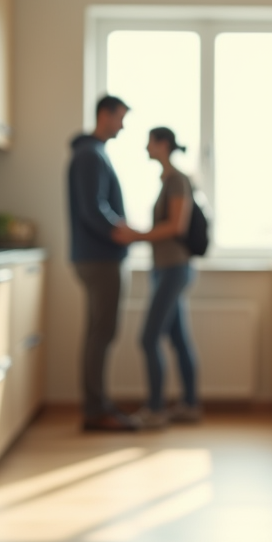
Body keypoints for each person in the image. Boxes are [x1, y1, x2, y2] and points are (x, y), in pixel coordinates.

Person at [68, 94, 139, 431]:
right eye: (120, 118)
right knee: (101, 333)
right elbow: (92, 209)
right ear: (104, 115)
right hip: (99, 259)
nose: (122, 126)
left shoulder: (93, 154)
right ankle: (96, 411)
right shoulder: (89, 156)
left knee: (99, 333)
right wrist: (119, 231)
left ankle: (98, 404)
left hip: (97, 257)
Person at [128, 127, 201, 429]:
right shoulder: (167, 180)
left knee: (148, 338)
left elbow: (176, 227)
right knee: (178, 339)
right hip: (165, 269)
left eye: (150, 141)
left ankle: (156, 409)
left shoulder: (176, 180)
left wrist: (137, 235)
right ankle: (190, 405)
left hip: (174, 269)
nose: (146, 146)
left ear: (162, 144)